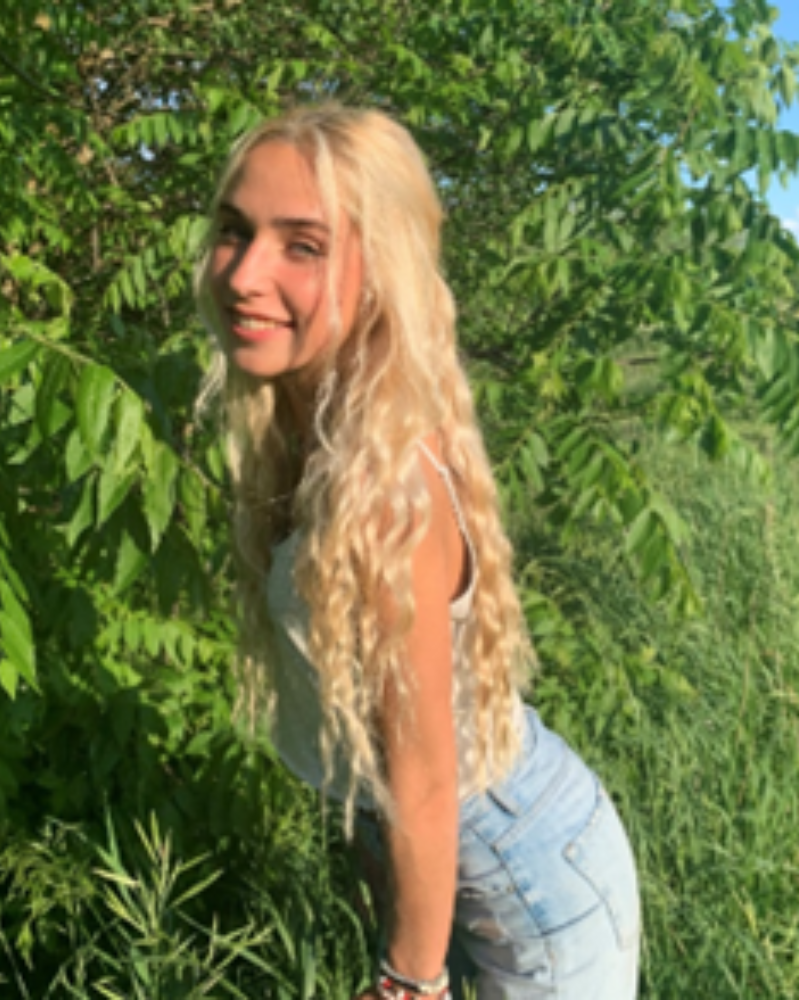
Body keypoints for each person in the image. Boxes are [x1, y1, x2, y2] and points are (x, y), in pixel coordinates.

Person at [195, 103, 640, 1000]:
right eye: (234, 232)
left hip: (521, 871)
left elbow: (428, 783)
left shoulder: (387, 486)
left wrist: (411, 982)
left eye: (302, 245)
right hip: (454, 853)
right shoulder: (322, 423)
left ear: (381, 267)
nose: (245, 274)